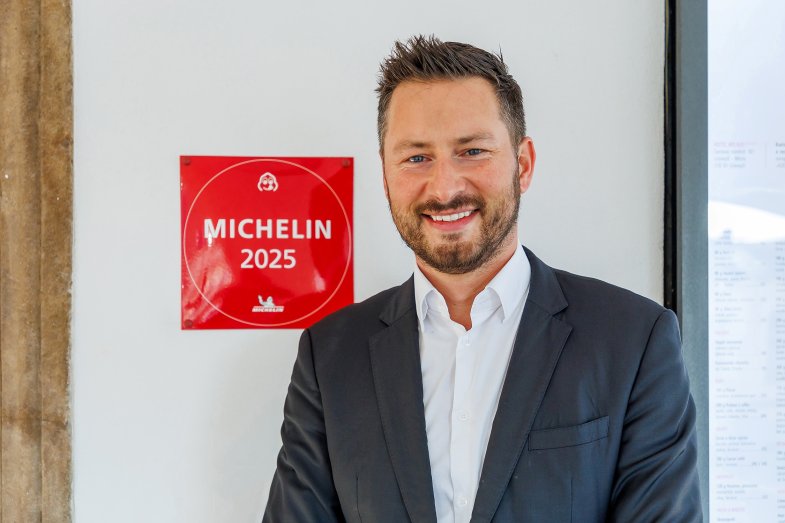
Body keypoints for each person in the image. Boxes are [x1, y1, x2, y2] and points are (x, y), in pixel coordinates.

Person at [263, 35, 701, 523]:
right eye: (416, 158)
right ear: (386, 178)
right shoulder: (329, 356)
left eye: (472, 151)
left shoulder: (634, 341)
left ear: (523, 164)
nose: (445, 187)